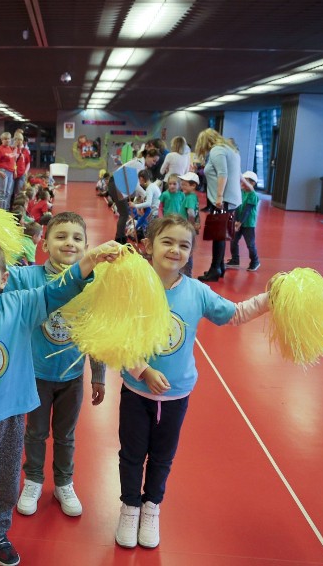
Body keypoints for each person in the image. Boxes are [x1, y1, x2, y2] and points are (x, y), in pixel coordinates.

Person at [0, 236, 122, 566]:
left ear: (4, 279)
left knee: (6, 482)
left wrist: (90, 260)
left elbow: (57, 290)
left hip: (9, 417)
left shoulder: (20, 305)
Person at [114, 215, 268, 550]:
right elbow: (116, 340)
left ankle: (152, 506)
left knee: (163, 456)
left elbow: (235, 314)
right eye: (167, 241)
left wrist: (271, 299)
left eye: (184, 245)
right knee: (132, 453)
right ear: (148, 246)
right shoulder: (131, 289)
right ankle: (130, 506)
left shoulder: (197, 292)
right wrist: (143, 371)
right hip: (136, 391)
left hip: (177, 394)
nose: (175, 249)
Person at [8, 212, 108, 519]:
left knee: (66, 435)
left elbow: (97, 332)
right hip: (35, 376)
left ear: (87, 247)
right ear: (45, 243)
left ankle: (64, 481)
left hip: (72, 377)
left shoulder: (93, 284)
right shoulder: (28, 277)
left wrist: (99, 375)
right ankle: (34, 479)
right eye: (61, 236)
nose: (69, 243)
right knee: (35, 432)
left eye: (77, 238)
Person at [195, 128, 241, 282]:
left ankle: (215, 269)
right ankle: (219, 267)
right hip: (231, 199)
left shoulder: (217, 151)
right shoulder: (230, 149)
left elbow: (223, 173)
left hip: (224, 200)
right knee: (220, 235)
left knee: (218, 235)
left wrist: (219, 196)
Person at [227, 171, 261, 272]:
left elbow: (247, 210)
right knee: (233, 241)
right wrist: (236, 221)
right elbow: (237, 207)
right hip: (238, 222)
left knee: (250, 244)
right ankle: (235, 260)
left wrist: (240, 222)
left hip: (248, 224)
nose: (242, 184)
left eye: (245, 182)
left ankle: (255, 261)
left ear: (253, 183)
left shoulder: (253, 195)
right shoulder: (241, 192)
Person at [179, 171, 202, 276]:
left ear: (193, 186)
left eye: (184, 184)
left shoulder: (189, 198)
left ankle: (186, 273)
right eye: (181, 183)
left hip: (186, 228)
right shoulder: (193, 196)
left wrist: (190, 226)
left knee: (186, 249)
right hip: (188, 228)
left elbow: (191, 213)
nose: (181, 186)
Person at [12, 133, 31, 201]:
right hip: (12, 173)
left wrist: (25, 172)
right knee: (10, 191)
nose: (19, 141)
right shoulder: (11, 149)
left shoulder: (25, 151)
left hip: (21, 174)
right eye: (17, 139)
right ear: (14, 140)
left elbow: (28, 163)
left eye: (20, 140)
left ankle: (16, 206)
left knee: (18, 192)